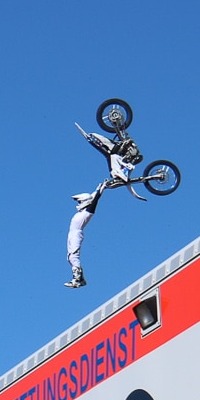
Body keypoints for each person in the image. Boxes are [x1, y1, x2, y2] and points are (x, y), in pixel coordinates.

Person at [64, 121, 140, 288]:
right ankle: (79, 278)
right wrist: (100, 189)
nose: (77, 203)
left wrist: (100, 190)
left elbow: (93, 202)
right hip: (74, 234)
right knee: (70, 256)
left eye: (79, 201)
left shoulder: (86, 213)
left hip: (76, 234)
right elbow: (92, 199)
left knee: (72, 256)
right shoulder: (84, 212)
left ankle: (78, 279)